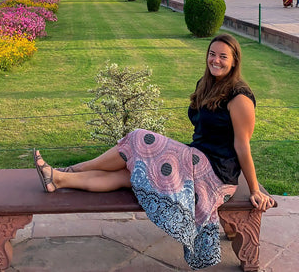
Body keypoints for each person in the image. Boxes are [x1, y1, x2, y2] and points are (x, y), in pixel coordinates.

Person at [34, 34, 275, 269]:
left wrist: (254, 189)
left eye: (223, 56)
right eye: (212, 54)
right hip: (193, 159)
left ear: (234, 61)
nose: (216, 60)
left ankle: (72, 169)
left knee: (140, 138)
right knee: (131, 175)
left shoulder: (239, 97)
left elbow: (242, 145)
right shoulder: (206, 84)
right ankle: (58, 178)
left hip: (214, 174)